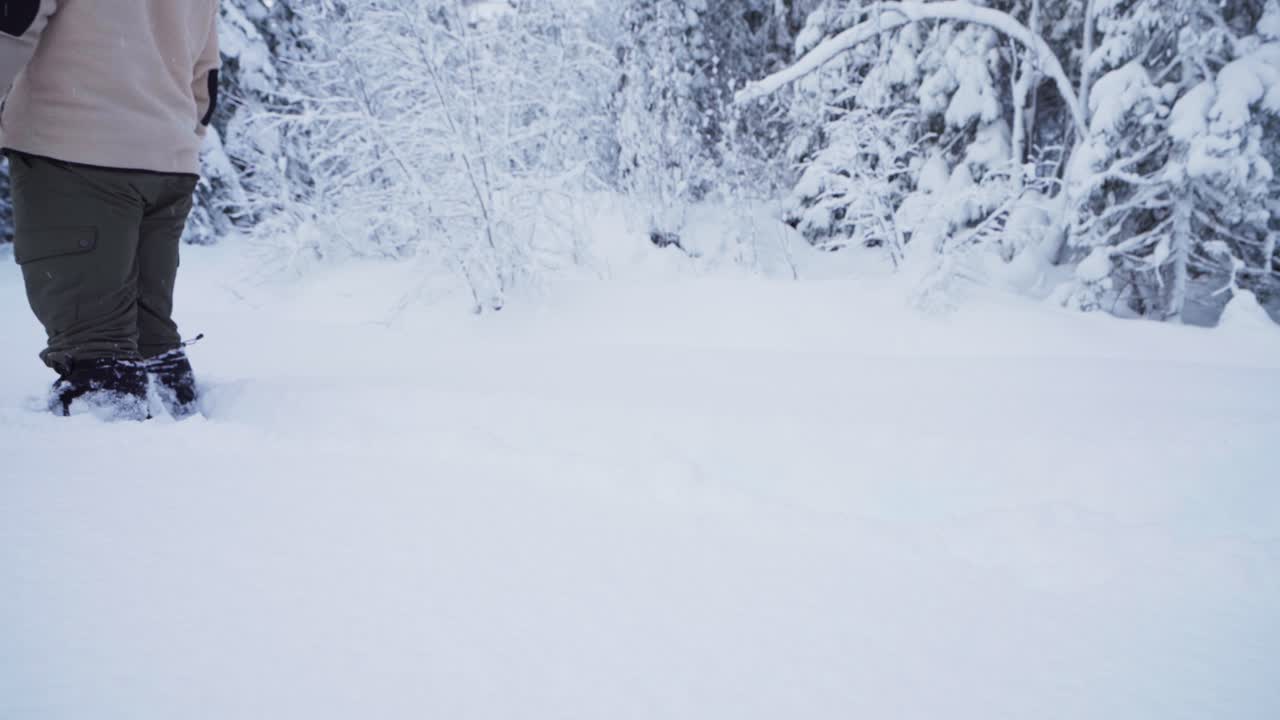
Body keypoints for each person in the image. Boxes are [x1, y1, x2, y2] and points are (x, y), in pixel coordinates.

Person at [0, 0, 220, 420]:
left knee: (97, 352)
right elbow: (206, 73)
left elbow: (13, 22)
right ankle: (181, 427)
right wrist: (174, 139)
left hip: (75, 152)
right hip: (169, 164)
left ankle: (109, 443)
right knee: (149, 341)